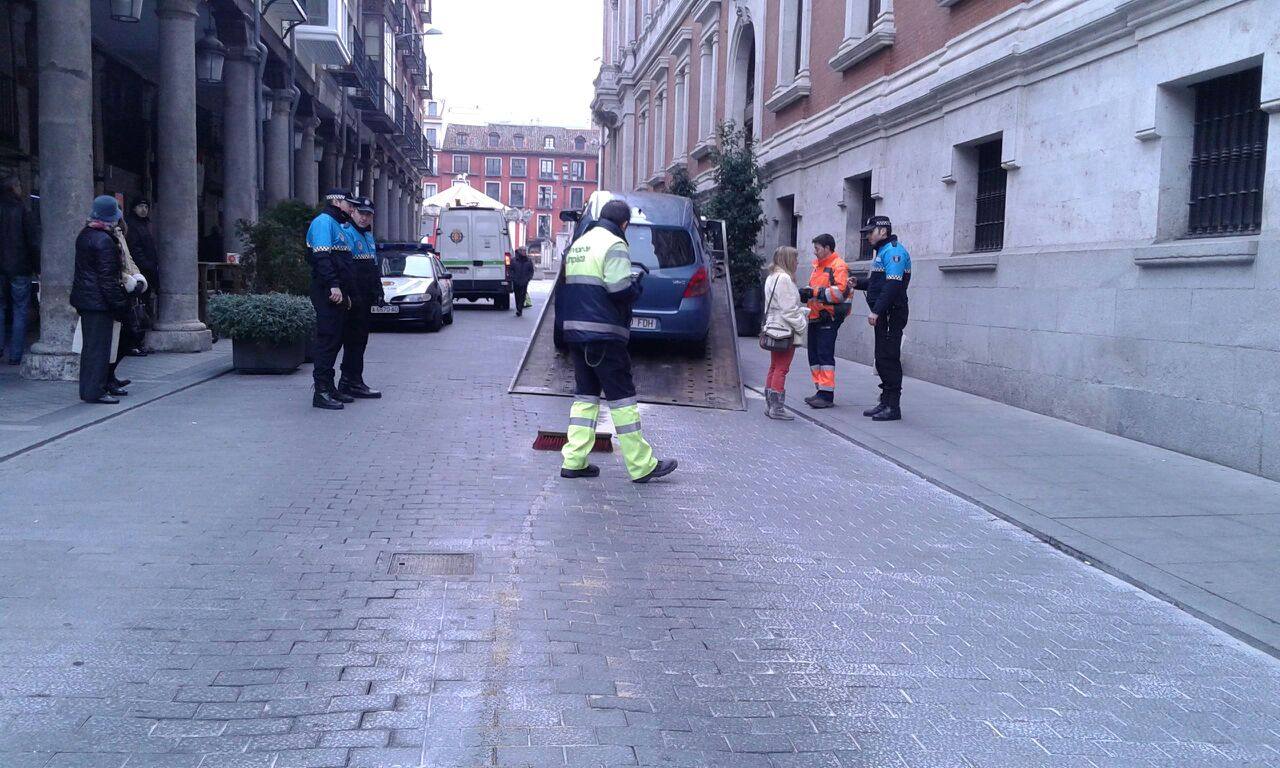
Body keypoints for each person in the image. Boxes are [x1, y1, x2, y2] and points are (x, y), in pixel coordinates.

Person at [559, 199, 677, 484]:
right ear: (624, 224)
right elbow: (618, 289)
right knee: (622, 400)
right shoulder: (613, 245)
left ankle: (574, 460)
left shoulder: (581, 243)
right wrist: (636, 285)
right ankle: (641, 465)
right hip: (604, 335)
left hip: (577, 333)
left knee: (585, 398)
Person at [71, 196, 130, 404]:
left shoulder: (85, 235)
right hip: (98, 302)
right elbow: (107, 279)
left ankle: (90, 389)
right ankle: (94, 391)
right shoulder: (104, 240)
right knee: (99, 349)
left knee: (91, 348)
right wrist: (119, 304)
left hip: (86, 300)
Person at [853, 215, 911, 421]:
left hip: (891, 312)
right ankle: (885, 402)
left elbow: (893, 285)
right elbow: (878, 283)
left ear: (883, 231)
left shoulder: (894, 251)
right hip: (884, 313)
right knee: (882, 357)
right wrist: (858, 283)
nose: (867, 235)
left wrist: (876, 311)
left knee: (889, 358)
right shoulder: (882, 252)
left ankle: (893, 407)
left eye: (871, 231)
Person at [306, 189, 358, 410]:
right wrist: (333, 286)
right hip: (328, 292)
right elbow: (322, 258)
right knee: (327, 341)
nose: (352, 208)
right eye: (349, 204)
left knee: (335, 340)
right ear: (336, 201)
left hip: (338, 293)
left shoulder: (338, 225)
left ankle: (330, 386)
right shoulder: (323, 222)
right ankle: (321, 392)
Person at [798, 233, 850, 409]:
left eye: (817, 248)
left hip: (829, 317)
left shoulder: (838, 266)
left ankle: (826, 395)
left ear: (827, 248)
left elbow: (840, 293)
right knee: (814, 355)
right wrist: (807, 294)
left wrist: (813, 293)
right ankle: (820, 390)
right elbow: (818, 290)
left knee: (824, 355)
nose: (815, 252)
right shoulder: (818, 267)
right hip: (816, 316)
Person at [339, 196, 383, 399]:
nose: (365, 218)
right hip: (352, 297)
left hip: (365, 298)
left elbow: (373, 267)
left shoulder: (368, 237)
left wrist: (379, 291)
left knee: (360, 340)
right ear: (352, 212)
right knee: (352, 340)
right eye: (361, 213)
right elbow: (345, 268)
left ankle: (352, 380)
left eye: (368, 215)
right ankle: (349, 382)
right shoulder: (346, 233)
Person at [761, 246, 808, 420]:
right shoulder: (785, 279)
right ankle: (777, 408)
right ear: (788, 260)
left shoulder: (772, 277)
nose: (797, 262)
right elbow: (789, 310)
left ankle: (770, 405)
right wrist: (802, 324)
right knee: (782, 368)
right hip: (786, 330)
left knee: (774, 366)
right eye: (795, 259)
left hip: (774, 327)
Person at [0, 172, 40, 366]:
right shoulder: (23, 211)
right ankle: (15, 354)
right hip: (20, 267)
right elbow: (32, 241)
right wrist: (38, 266)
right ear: (14, 188)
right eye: (20, 186)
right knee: (20, 309)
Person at [105, 218, 149, 394]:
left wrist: (138, 278)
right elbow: (112, 267)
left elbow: (128, 260)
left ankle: (110, 374)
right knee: (123, 335)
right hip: (118, 290)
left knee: (131, 334)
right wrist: (128, 280)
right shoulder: (106, 236)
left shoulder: (119, 233)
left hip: (128, 289)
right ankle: (107, 377)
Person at [124, 197, 159, 347]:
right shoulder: (131, 225)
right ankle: (135, 341)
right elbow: (135, 249)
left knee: (144, 305)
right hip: (139, 272)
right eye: (140, 206)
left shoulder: (145, 225)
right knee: (138, 306)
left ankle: (141, 339)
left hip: (148, 270)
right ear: (133, 208)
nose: (144, 209)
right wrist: (146, 265)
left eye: (146, 206)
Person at [510, 247, 535, 317]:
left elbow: (531, 271)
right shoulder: (514, 260)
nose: (524, 252)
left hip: (524, 281)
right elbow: (511, 270)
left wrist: (528, 278)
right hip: (516, 281)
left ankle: (519, 310)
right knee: (517, 295)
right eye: (523, 250)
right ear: (519, 251)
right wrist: (513, 278)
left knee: (523, 295)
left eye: (525, 250)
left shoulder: (528, 261)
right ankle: (518, 307)